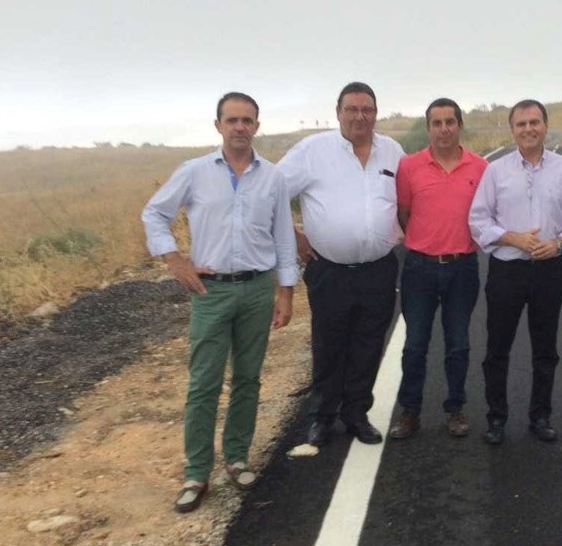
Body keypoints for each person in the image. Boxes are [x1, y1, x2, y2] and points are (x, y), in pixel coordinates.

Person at [142, 92, 298, 513]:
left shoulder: (272, 178)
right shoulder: (194, 172)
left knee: (248, 378)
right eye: (232, 120)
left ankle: (237, 458)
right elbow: (154, 214)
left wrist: (285, 292)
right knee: (204, 383)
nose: (240, 127)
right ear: (218, 125)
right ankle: (196, 472)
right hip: (210, 292)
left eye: (247, 120)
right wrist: (175, 260)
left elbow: (283, 237)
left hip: (257, 289)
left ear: (257, 126)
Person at [277, 81, 404, 446]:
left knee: (368, 345)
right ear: (338, 112)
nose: (359, 117)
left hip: (378, 270)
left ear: (376, 114)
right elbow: (270, 193)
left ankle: (356, 414)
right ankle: (322, 417)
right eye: (351, 109)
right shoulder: (312, 151)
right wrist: (293, 234)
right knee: (329, 344)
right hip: (330, 271)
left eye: (367, 110)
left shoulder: (393, 151)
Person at [469, 100, 562, 445]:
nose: (528, 129)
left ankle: (540, 416)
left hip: (549, 269)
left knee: (545, 349)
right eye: (521, 124)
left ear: (545, 126)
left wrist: (560, 242)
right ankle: (496, 418)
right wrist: (513, 238)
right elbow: (478, 219)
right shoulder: (496, 171)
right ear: (512, 130)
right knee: (497, 348)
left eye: (534, 122)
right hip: (507, 270)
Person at [388, 99, 488, 440]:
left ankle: (455, 409)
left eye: (450, 122)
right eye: (437, 123)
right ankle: (410, 412)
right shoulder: (409, 166)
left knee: (458, 343)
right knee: (415, 343)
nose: (444, 129)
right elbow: (404, 213)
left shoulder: (479, 167)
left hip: (463, 268)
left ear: (460, 125)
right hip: (420, 268)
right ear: (428, 127)